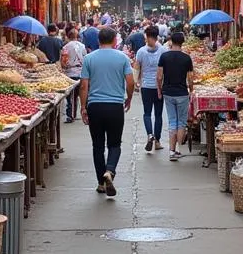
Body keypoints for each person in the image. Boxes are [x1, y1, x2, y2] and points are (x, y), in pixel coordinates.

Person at [79, 27, 134, 197]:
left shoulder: (89, 58)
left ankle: (101, 183)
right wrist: (129, 97)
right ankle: (110, 171)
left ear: (98, 41)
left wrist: (83, 107)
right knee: (114, 144)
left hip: (95, 106)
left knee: (97, 145)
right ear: (115, 41)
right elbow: (130, 82)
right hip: (115, 106)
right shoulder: (122, 58)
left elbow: (83, 85)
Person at [157, 30, 194, 161]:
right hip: (182, 93)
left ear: (171, 41)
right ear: (182, 43)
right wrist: (191, 90)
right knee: (181, 122)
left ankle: (171, 152)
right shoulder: (186, 58)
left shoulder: (164, 57)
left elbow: (159, 76)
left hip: (168, 93)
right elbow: (190, 78)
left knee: (172, 121)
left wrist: (159, 90)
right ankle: (178, 149)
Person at [134, 25, 165, 153]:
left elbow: (136, 68)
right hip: (159, 87)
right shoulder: (163, 50)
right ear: (157, 36)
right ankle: (157, 141)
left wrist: (136, 82)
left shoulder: (141, 51)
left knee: (147, 113)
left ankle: (150, 135)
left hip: (146, 86)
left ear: (147, 37)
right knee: (158, 114)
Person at [60, 26, 86, 122]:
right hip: (81, 72)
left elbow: (64, 62)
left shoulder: (66, 47)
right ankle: (83, 112)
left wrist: (64, 67)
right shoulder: (82, 46)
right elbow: (85, 58)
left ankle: (71, 115)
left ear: (68, 36)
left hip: (70, 73)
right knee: (82, 93)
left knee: (71, 96)